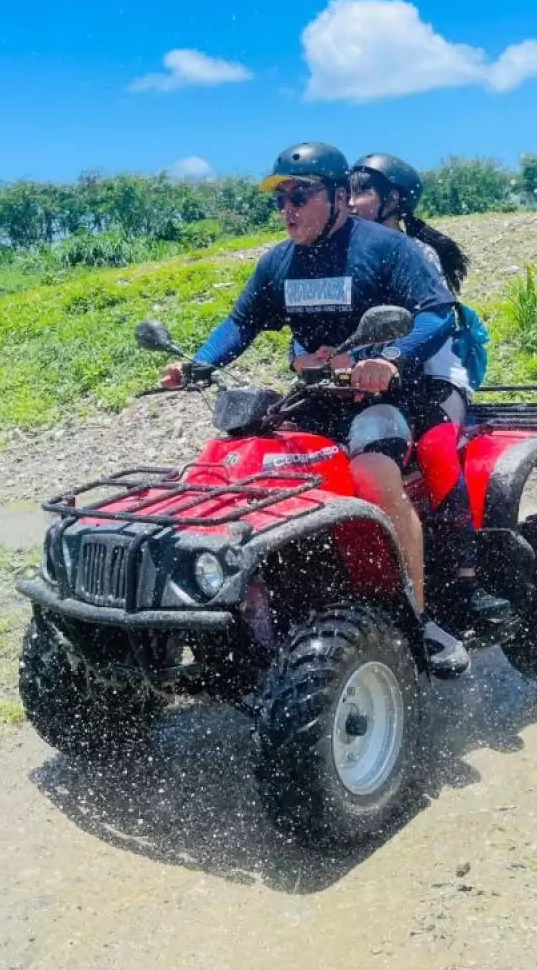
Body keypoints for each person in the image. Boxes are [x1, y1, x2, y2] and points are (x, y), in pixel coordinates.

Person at [160, 141, 470, 676]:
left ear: (340, 196)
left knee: (374, 475)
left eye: (299, 196)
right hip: (312, 400)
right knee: (234, 467)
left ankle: (417, 616)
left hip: (383, 398)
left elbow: (438, 313)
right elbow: (241, 323)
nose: (288, 210)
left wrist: (391, 358)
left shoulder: (385, 250)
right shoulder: (280, 261)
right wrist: (199, 365)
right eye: (280, 199)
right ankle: (236, 610)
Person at [349, 153, 507, 627]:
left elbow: (433, 319)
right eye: (348, 192)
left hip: (435, 376)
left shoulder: (417, 253)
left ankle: (466, 575)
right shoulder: (351, 252)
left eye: (363, 192)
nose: (353, 202)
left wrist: (389, 358)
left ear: (393, 199)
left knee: (437, 447)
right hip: (378, 379)